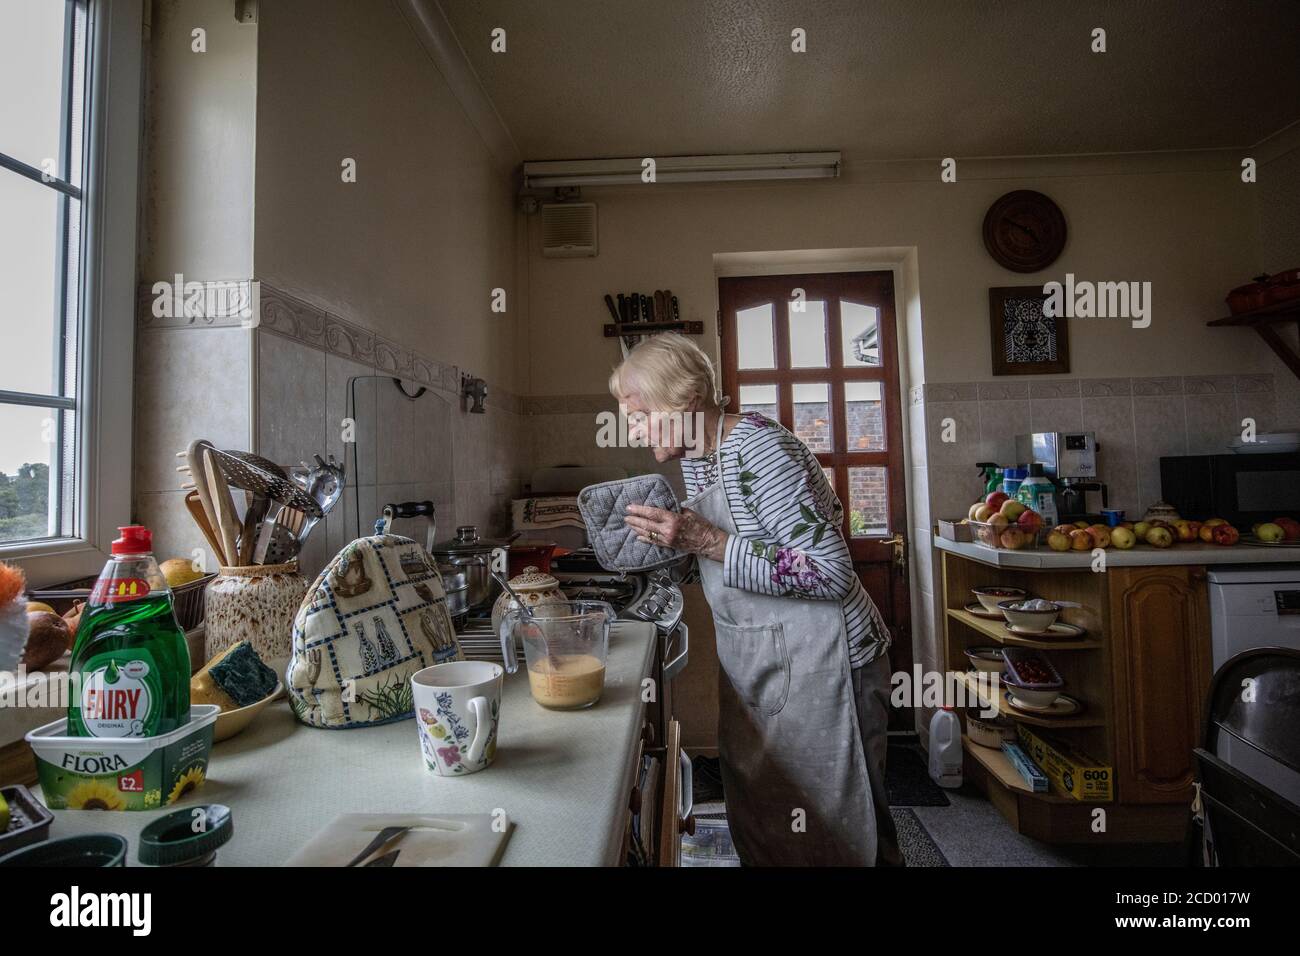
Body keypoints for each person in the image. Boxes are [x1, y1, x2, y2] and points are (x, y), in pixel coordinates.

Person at [609, 333, 901, 866]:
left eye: (639, 412)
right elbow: (733, 563)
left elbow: (830, 572)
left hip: (833, 662)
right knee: (773, 815)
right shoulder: (701, 459)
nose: (629, 427)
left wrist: (704, 540)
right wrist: (670, 549)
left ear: (686, 401)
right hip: (768, 660)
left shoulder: (762, 449)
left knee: (844, 826)